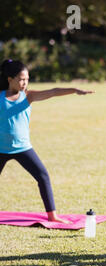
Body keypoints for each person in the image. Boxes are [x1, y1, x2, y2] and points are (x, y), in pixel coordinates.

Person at [0, 59, 93, 223]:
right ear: (9, 79)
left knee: (43, 176)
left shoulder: (28, 96)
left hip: (23, 148)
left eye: (27, 79)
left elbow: (54, 91)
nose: (25, 83)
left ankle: (53, 216)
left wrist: (74, 90)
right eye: (21, 79)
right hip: (1, 148)